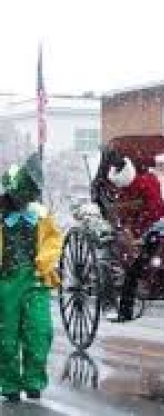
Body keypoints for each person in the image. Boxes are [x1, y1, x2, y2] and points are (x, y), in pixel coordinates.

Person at [0, 153, 63, 402]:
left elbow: (53, 239)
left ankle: (34, 380)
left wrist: (45, 261)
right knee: (6, 337)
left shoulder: (41, 215)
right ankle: (9, 383)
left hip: (36, 280)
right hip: (5, 282)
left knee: (40, 331)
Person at [105, 150, 164, 322]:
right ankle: (125, 310)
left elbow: (148, 212)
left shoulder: (138, 187)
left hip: (153, 230)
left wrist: (136, 230)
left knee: (132, 273)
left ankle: (125, 312)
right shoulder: (146, 182)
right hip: (155, 228)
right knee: (133, 271)